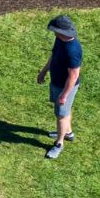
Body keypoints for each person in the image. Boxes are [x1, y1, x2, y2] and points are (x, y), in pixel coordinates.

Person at [35, 14, 81, 159]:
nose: (53, 32)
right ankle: (68, 133)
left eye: (55, 30)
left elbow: (73, 75)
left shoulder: (73, 50)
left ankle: (59, 144)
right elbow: (53, 55)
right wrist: (44, 71)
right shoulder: (60, 40)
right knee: (65, 112)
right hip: (57, 83)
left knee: (61, 115)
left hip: (65, 87)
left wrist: (64, 95)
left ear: (62, 32)